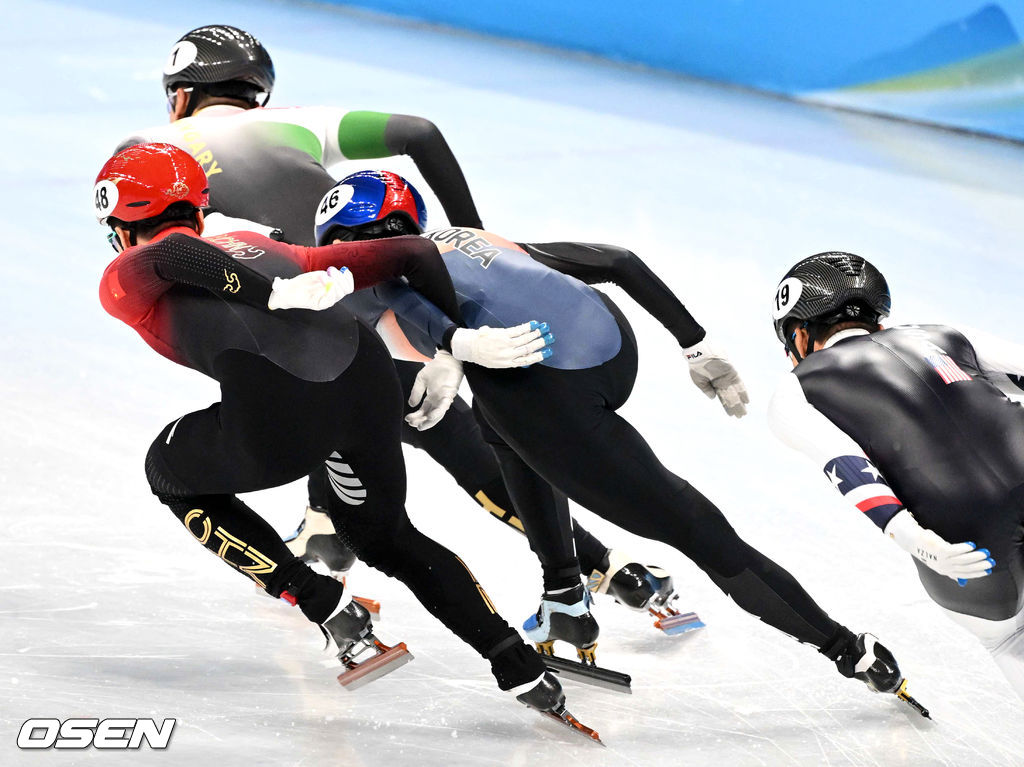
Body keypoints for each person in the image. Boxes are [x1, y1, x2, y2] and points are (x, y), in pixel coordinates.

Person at [122, 23, 682, 622]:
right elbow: (420, 133)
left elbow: (160, 255)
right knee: (465, 438)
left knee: (335, 406)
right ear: (255, 91)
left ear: (180, 95)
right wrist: (470, 239)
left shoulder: (148, 153)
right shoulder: (292, 122)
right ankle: (608, 569)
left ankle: (593, 565)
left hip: (304, 327)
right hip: (396, 293)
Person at [309, 172, 926, 712]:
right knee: (499, 426)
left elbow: (395, 294)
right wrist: (695, 343)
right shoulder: (464, 238)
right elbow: (619, 261)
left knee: (695, 529)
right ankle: (563, 595)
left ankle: (847, 649)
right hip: (609, 344)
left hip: (550, 389)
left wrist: (453, 348)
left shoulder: (367, 279)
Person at [93, 142, 599, 740]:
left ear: (119, 223)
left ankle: (322, 603)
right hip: (367, 381)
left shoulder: (125, 274)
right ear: (200, 210)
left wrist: (271, 296)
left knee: (168, 471)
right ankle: (519, 667)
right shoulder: (263, 245)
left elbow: (168, 252)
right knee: (387, 538)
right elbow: (414, 252)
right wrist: (449, 349)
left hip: (281, 414)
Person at [767, 251, 1024, 701]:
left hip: (966, 536)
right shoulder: (946, 333)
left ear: (801, 335)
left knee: (1009, 640)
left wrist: (916, 540)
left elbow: (849, 470)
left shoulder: (795, 390)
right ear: (877, 318)